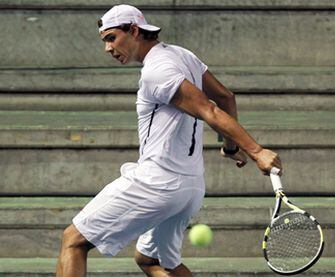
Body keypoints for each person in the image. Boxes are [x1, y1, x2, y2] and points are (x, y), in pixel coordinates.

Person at [56, 4, 282, 277]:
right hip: (190, 189)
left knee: (73, 241)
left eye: (111, 38)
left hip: (157, 182)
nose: (108, 48)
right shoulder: (181, 55)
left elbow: (210, 109)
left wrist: (256, 151)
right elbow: (225, 97)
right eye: (105, 41)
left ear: (134, 31)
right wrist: (230, 146)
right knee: (151, 261)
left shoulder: (156, 72)